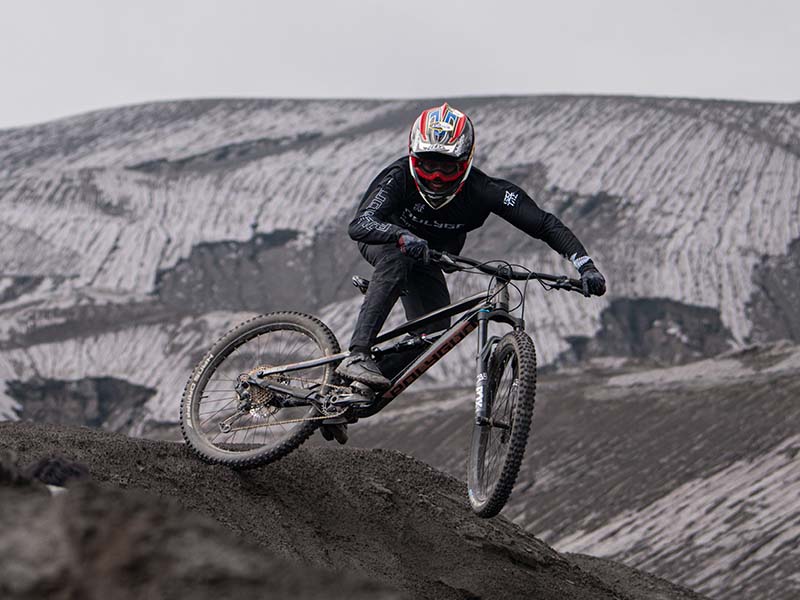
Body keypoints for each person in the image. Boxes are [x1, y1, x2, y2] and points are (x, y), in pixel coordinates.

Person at [335, 102, 606, 392]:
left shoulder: (484, 190)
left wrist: (585, 266)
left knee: (435, 337)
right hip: (385, 242)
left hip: (428, 258)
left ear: (465, 161)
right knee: (397, 258)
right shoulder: (399, 176)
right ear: (414, 157)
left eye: (447, 166)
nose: (437, 177)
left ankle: (350, 390)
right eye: (428, 164)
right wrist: (399, 235)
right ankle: (357, 355)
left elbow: (544, 224)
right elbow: (360, 224)